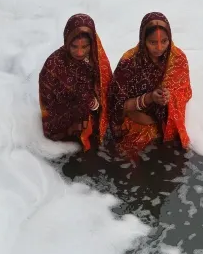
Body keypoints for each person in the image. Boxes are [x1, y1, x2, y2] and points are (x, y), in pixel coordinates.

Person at [109, 12, 192, 158]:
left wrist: (169, 96)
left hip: (163, 123)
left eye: (164, 41)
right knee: (127, 160)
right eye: (153, 42)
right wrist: (149, 98)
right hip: (135, 120)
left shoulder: (177, 58)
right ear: (143, 39)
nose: (159, 48)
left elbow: (183, 90)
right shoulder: (129, 62)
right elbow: (117, 105)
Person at [39, 13, 112, 151]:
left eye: (85, 47)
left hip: (94, 112)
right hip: (65, 121)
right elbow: (50, 104)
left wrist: (96, 102)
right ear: (67, 41)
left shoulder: (96, 58)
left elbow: (106, 85)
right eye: (74, 46)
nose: (79, 52)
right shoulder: (53, 66)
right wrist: (83, 100)